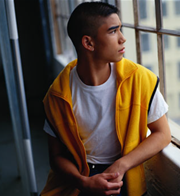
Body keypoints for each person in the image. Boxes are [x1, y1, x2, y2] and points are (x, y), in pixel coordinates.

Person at [41, 2, 171, 196]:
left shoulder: (140, 78)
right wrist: (83, 182)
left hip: (124, 176)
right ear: (88, 43)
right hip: (80, 179)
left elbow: (163, 134)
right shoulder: (58, 94)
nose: (122, 39)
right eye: (113, 32)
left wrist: (121, 165)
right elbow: (56, 156)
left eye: (121, 29)